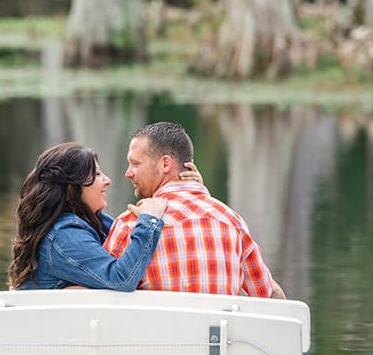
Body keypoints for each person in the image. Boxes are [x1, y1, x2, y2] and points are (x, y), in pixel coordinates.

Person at [103, 121, 286, 299]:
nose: (128, 173)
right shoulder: (231, 221)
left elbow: (101, 293)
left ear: (165, 164)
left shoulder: (131, 223)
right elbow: (270, 296)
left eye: (135, 164)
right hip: (217, 329)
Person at [8, 142, 169, 290]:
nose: (107, 180)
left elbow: (128, 237)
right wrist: (150, 220)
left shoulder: (91, 220)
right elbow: (121, 279)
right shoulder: (63, 236)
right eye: (97, 175)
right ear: (72, 188)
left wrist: (190, 188)